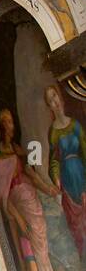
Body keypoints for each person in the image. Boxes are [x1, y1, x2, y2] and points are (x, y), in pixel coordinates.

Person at [0, 107, 60, 271]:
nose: (8, 125)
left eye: (10, 121)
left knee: (42, 259)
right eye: (4, 121)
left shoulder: (18, 150)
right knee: (30, 268)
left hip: (32, 204)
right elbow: (3, 193)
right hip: (19, 209)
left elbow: (31, 173)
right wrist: (19, 219)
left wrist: (48, 188)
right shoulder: (0, 154)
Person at [46, 84, 86, 259]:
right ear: (49, 106)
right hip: (67, 181)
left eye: (54, 96)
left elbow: (85, 149)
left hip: (82, 175)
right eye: (50, 100)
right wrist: (56, 178)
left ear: (59, 97)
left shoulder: (75, 125)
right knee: (77, 223)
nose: (54, 101)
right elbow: (54, 160)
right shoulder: (53, 132)